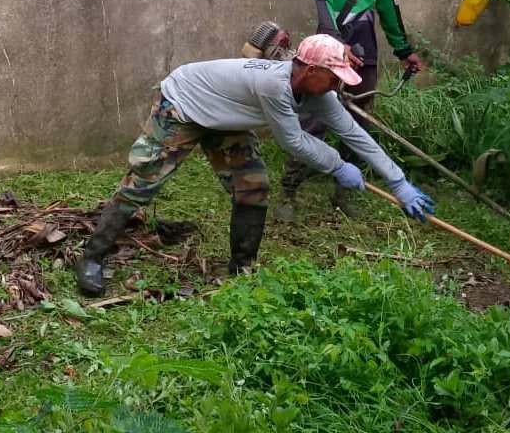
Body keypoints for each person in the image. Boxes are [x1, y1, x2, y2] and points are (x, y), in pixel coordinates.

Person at [75, 34, 434, 295]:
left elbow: (353, 132)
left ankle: (241, 271)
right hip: (183, 103)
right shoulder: (274, 86)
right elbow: (292, 140)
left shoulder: (318, 92)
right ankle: (92, 257)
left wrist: (397, 181)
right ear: (309, 70)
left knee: (253, 187)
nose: (339, 84)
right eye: (334, 76)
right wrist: (337, 166)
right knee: (143, 181)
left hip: (224, 119)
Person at [275, 0, 423, 221]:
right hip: (327, 54)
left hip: (364, 55)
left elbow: (389, 9)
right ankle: (288, 189)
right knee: (312, 121)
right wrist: (335, 41)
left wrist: (404, 51)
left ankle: (344, 194)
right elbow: (321, 0)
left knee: (359, 124)